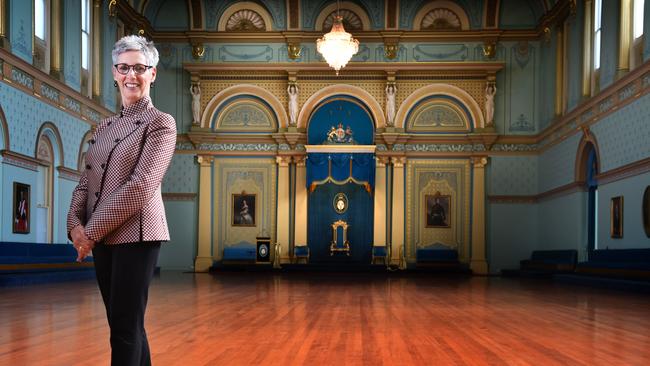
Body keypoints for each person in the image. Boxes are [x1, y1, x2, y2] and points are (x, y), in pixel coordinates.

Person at [67, 35, 176, 366]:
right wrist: (75, 225)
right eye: (124, 67)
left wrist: (91, 232)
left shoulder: (161, 123)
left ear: (152, 73)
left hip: (137, 235)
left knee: (125, 329)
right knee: (124, 326)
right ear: (114, 73)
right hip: (102, 238)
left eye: (139, 68)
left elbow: (141, 184)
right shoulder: (104, 127)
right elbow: (85, 181)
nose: (132, 75)